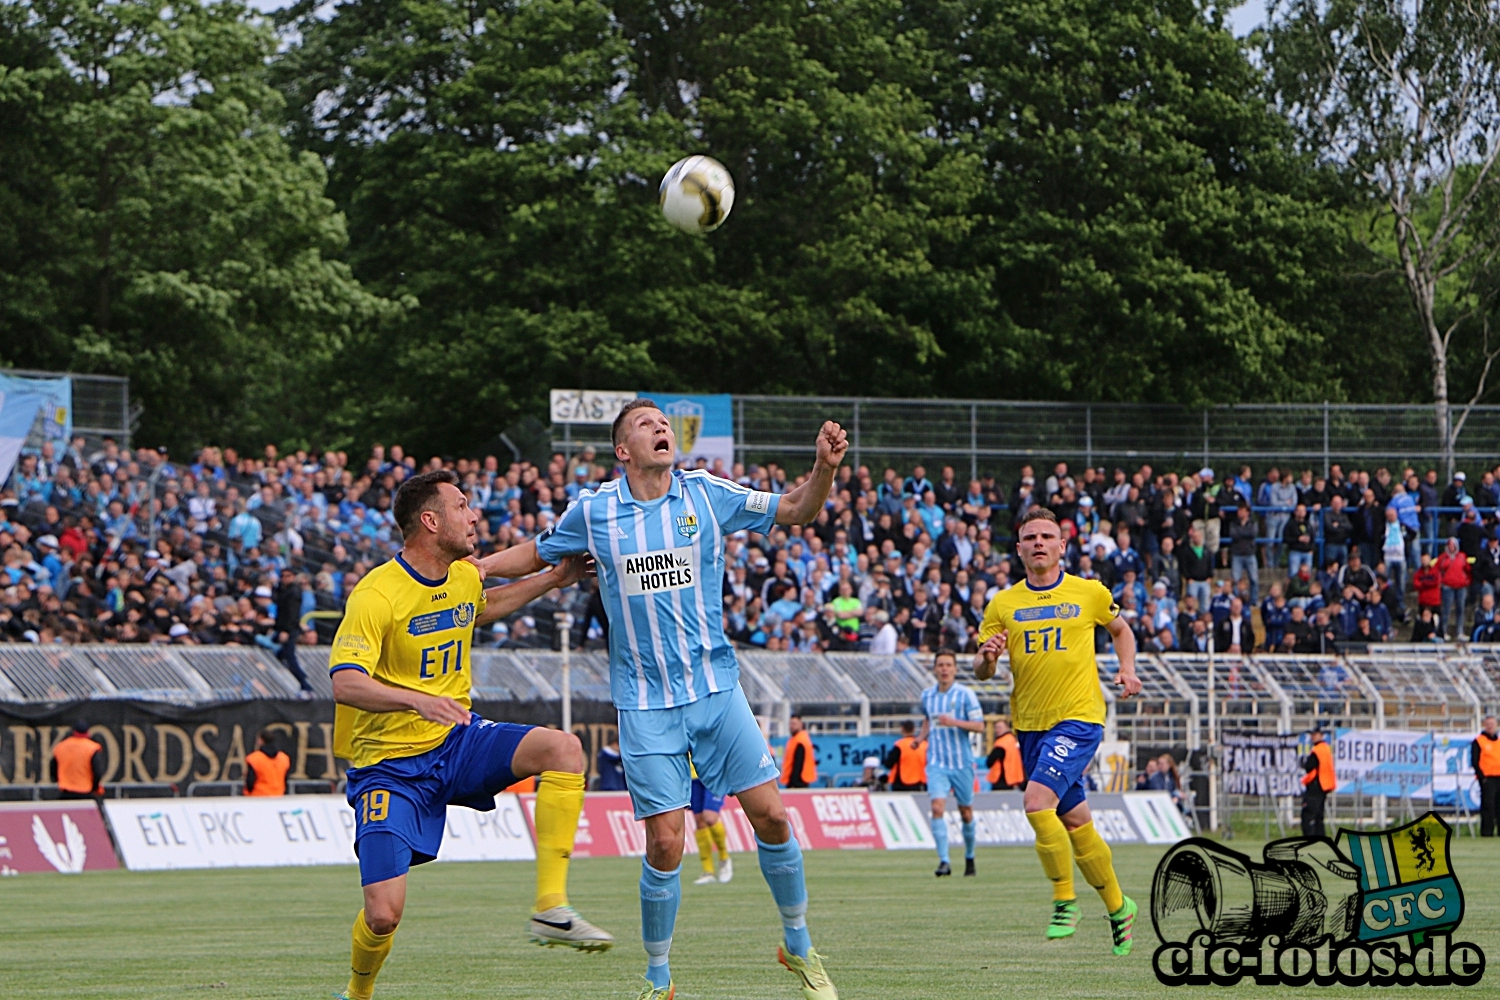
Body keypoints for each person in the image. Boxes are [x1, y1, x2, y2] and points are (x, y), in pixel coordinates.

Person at [531, 399, 846, 1000]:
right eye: (647, 425)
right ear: (623, 450)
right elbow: (536, 554)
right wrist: (465, 571)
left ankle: (799, 945)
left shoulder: (704, 493)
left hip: (715, 691)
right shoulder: (594, 511)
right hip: (645, 702)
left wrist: (823, 467)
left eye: (664, 424)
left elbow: (797, 509)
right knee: (666, 842)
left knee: (774, 816)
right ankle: (658, 978)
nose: (662, 429)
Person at [327, 470, 611, 1000]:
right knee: (384, 915)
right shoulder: (375, 594)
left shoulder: (462, 575)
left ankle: (551, 907)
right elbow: (346, 683)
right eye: (462, 506)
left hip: (457, 740)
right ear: (430, 521)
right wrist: (417, 698)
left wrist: (553, 579)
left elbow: (481, 608)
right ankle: (358, 994)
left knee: (563, 748)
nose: (474, 515)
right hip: (389, 767)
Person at [974, 507, 1143, 955]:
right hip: (1029, 725)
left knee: (1035, 803)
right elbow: (983, 670)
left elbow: (1121, 630)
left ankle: (1064, 899)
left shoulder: (1088, 592)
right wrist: (989, 657)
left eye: (1048, 536)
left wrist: (1127, 668)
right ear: (1019, 548)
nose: (1039, 543)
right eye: (1030, 537)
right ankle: (1119, 906)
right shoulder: (1003, 604)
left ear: (1062, 546)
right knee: (1075, 822)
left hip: (1079, 716)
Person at [920, 648, 984, 877]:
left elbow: (979, 726)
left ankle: (969, 856)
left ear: (955, 669)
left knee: (966, 812)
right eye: (940, 665)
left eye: (948, 665)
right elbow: (928, 720)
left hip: (961, 762)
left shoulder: (965, 695)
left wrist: (954, 721)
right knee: (937, 807)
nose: (944, 669)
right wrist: (919, 739)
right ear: (935, 669)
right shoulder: (927, 696)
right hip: (936, 763)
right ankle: (944, 861)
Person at [690, 763, 733, 886]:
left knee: (710, 818)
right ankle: (708, 871)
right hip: (692, 775)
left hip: (714, 773)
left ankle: (724, 858)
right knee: (700, 822)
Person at [50, 721, 103, 799]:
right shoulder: (92, 748)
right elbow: (97, 773)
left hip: (66, 792)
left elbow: (53, 769)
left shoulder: (60, 747)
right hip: (86, 792)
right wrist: (94, 788)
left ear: (73, 731)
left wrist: (59, 780)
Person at [1300, 725, 1335, 838]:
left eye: (1315, 735)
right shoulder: (1325, 748)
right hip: (1324, 785)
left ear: (1321, 735)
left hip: (1316, 785)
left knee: (1308, 814)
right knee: (1319, 815)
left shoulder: (1317, 750)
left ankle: (1310, 837)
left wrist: (1304, 763)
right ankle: (1321, 837)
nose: (1312, 737)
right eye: (1312, 735)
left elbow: (1309, 766)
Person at [1471, 716, 1500, 837]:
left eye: (1492, 724)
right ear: (1484, 725)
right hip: (1488, 779)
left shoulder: (1498, 742)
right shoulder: (1479, 741)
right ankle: (1487, 833)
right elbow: (1475, 761)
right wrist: (1483, 778)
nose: (1490, 726)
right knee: (1488, 807)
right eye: (1488, 724)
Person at [245, 729, 291, 796]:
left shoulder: (254, 758)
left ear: (261, 740)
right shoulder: (284, 758)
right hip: (278, 795)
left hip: (258, 796)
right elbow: (285, 779)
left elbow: (250, 781)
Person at [886, 720, 928, 791]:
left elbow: (888, 764)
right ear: (914, 729)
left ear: (902, 729)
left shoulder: (899, 745)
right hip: (921, 783)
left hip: (901, 783)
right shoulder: (924, 744)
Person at [986, 718, 1024, 791]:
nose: (997, 730)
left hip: (1001, 778)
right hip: (1013, 778)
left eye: (1000, 727)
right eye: (996, 727)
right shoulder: (1013, 740)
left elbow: (990, 762)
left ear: (1007, 728)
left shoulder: (1002, 743)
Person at [781, 716, 817, 789]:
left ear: (801, 724)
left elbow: (798, 764)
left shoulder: (800, 741)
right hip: (799, 780)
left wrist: (793, 783)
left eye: (794, 724)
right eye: (790, 724)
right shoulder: (798, 739)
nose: (791, 726)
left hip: (798, 781)